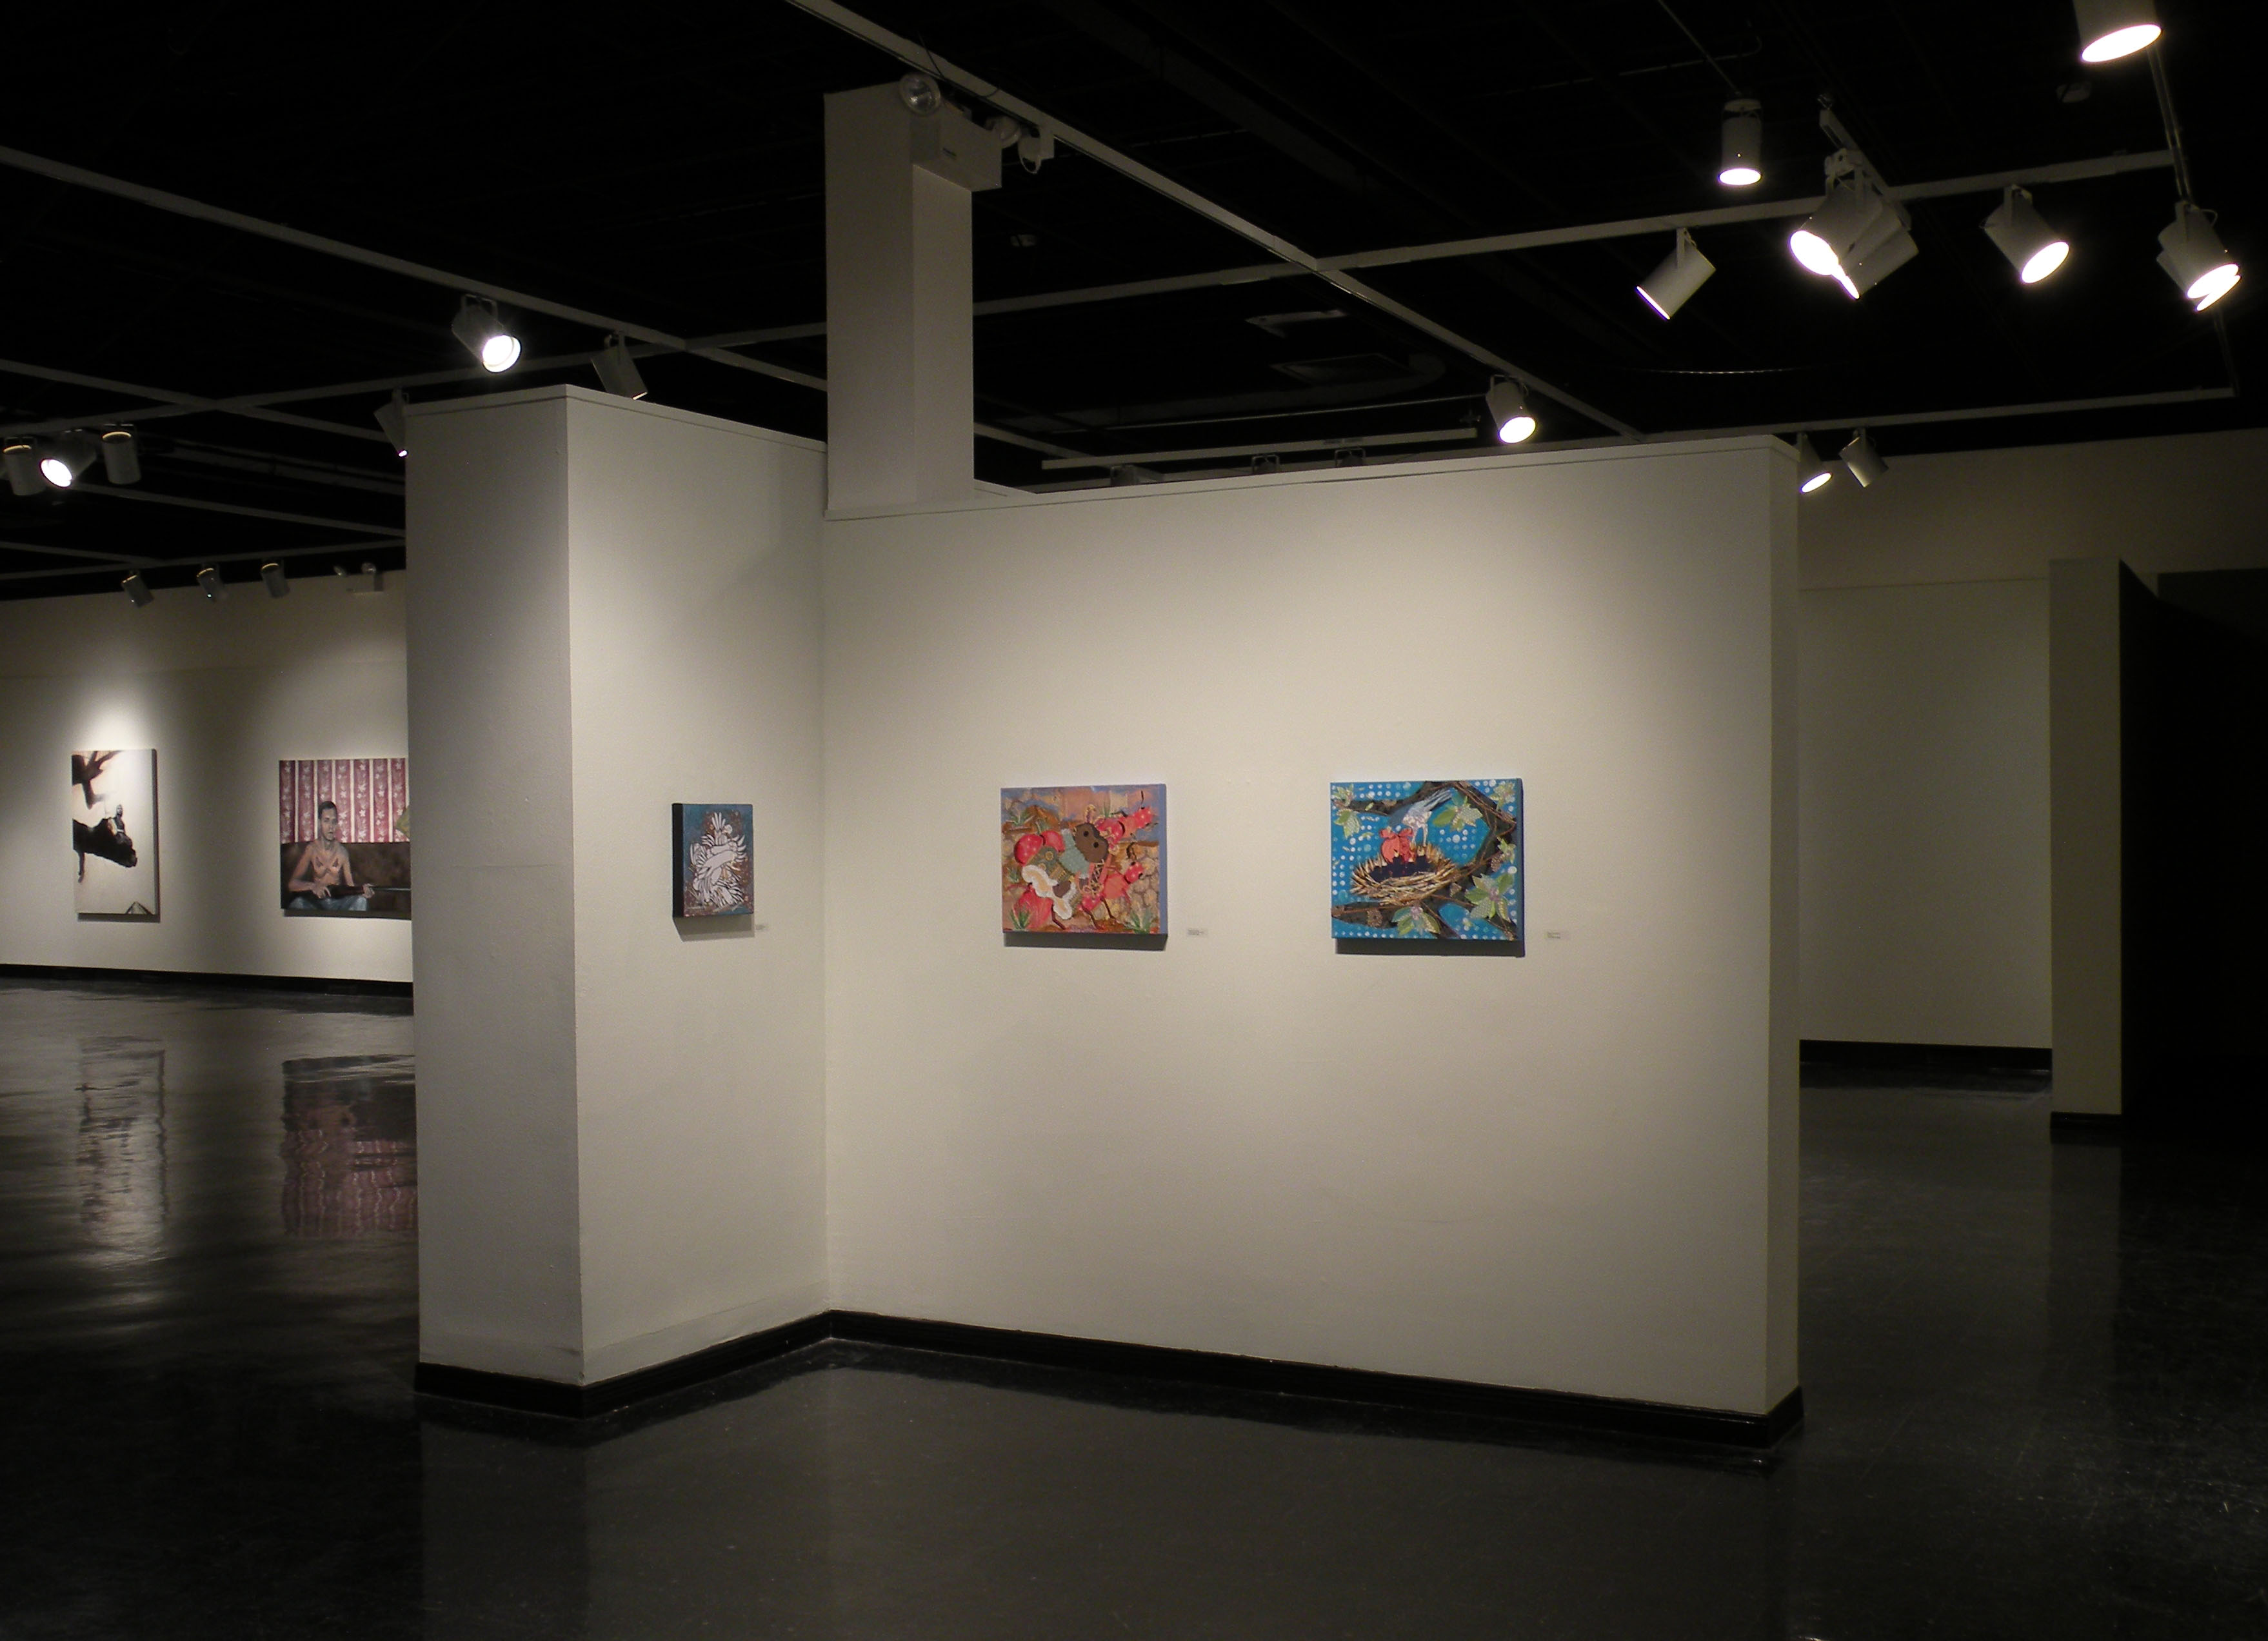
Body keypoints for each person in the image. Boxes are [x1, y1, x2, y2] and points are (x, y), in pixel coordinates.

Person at [286, 800, 375, 912]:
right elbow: (292, 884)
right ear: (319, 823)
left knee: (361, 901)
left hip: (338, 903)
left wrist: (362, 891)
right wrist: (313, 886)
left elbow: (351, 886)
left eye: (334, 822)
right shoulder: (312, 849)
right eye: (326, 821)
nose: (331, 827)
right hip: (317, 903)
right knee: (297, 903)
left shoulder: (342, 852)